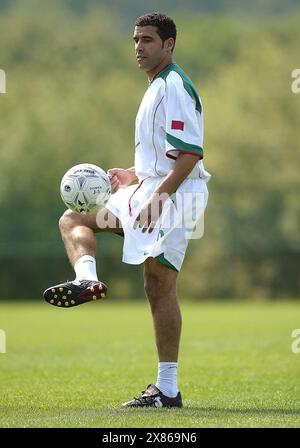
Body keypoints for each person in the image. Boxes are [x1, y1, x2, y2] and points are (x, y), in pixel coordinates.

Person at [44, 12, 211, 408]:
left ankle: (167, 390)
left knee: (159, 284)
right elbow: (164, 155)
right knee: (74, 218)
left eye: (148, 40)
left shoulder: (174, 86)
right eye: (136, 39)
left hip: (177, 198)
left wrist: (161, 196)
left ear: (168, 44)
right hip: (149, 189)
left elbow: (190, 154)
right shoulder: (155, 86)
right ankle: (86, 279)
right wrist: (133, 174)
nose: (139, 47)